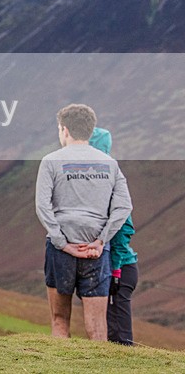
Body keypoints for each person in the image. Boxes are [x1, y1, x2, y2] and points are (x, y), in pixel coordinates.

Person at [35, 104, 132, 341]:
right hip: (95, 252)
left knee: (60, 320)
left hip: (61, 250)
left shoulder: (50, 161)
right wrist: (101, 240)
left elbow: (42, 205)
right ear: (89, 130)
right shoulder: (109, 164)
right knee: (98, 327)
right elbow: (123, 206)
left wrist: (62, 243)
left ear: (65, 130)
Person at [89, 127, 139, 346]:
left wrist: (115, 268)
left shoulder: (109, 179)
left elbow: (123, 227)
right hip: (111, 266)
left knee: (120, 338)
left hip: (120, 268)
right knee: (109, 332)